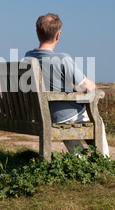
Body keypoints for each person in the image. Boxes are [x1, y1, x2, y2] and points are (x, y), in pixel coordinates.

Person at [24, 13, 110, 157]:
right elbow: (88, 86)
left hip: (40, 115)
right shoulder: (63, 59)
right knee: (96, 122)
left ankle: (80, 158)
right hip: (63, 115)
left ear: (37, 33)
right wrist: (88, 96)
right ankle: (104, 160)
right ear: (58, 36)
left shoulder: (27, 57)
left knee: (63, 116)